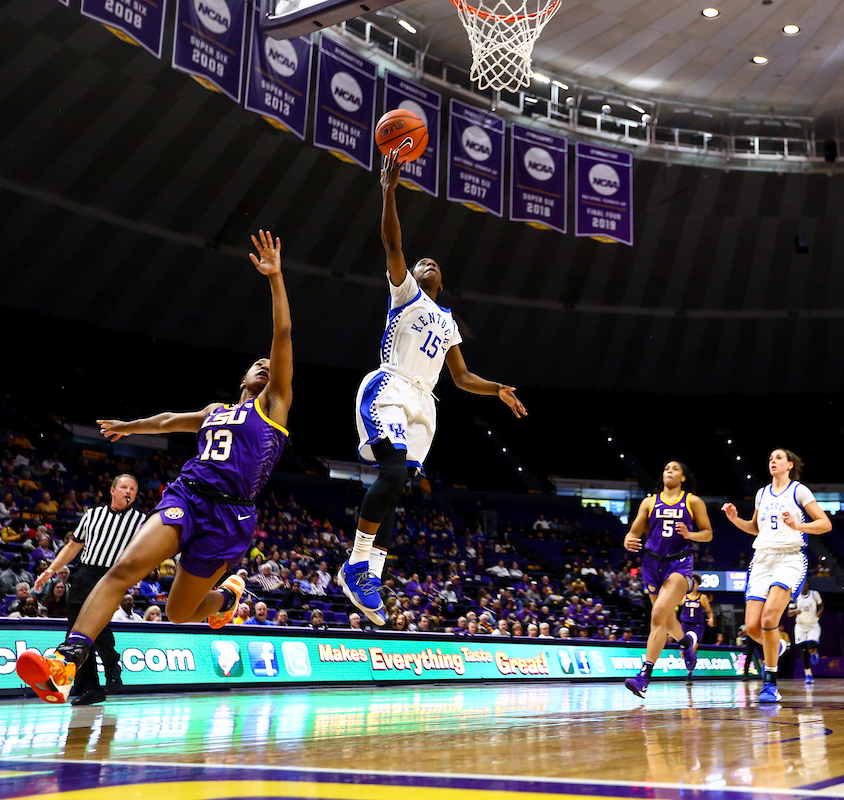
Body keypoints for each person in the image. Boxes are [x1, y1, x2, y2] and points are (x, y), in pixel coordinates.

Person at [16, 231, 294, 704]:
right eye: (256, 363)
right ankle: (66, 660)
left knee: (179, 611)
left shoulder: (276, 406)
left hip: (232, 516)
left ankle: (227, 600)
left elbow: (282, 336)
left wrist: (275, 279)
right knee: (125, 567)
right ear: (242, 376)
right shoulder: (214, 411)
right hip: (188, 495)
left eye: (269, 365)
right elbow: (168, 420)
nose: (265, 365)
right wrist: (130, 425)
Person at [338, 150, 527, 625]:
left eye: (434, 262)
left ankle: (371, 576)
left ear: (442, 280)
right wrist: (389, 191)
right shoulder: (404, 293)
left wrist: (497, 387)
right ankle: (355, 562)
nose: (425, 262)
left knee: (400, 486)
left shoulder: (448, 322)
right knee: (392, 473)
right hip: (392, 386)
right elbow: (392, 242)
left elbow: (462, 377)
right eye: (421, 261)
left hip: (428, 402)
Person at [722, 449, 831, 703]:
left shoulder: (798, 491)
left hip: (790, 557)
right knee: (751, 627)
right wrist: (735, 519)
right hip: (762, 559)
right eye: (770, 458)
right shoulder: (761, 493)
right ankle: (778, 646)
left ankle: (770, 683)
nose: (773, 461)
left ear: (789, 465)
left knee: (770, 617)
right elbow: (755, 528)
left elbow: (825, 524)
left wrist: (798, 525)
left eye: (778, 458)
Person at [32, 474, 146, 705]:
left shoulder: (141, 521)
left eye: (133, 489)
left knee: (97, 626)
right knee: (76, 633)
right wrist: (50, 571)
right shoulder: (92, 515)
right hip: (84, 573)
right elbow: (73, 547)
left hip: (112, 577)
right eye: (124, 487)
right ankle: (88, 688)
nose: (129, 491)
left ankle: (112, 662)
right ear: (112, 491)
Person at [621, 462, 713, 698]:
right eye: (666, 468)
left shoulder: (692, 501)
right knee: (666, 618)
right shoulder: (649, 501)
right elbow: (634, 531)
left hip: (679, 563)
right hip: (652, 563)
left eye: (674, 469)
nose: (669, 471)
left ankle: (644, 677)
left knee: (658, 614)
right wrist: (628, 540)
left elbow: (708, 533)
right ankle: (685, 645)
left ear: (683, 477)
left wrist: (690, 534)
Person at [678, 583, 714, 683]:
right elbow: (674, 604)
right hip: (685, 625)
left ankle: (690, 673)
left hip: (697, 626)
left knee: (692, 648)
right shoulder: (684, 596)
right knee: (682, 653)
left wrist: (711, 619)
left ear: (698, 585)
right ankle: (691, 665)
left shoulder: (702, 597)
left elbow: (709, 611)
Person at [790, 587, 823, 685]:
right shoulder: (795, 597)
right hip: (800, 626)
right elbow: (789, 613)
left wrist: (819, 613)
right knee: (803, 651)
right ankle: (808, 675)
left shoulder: (814, 594)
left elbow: (821, 606)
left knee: (810, 645)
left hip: (812, 624)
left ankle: (814, 652)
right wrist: (795, 611)